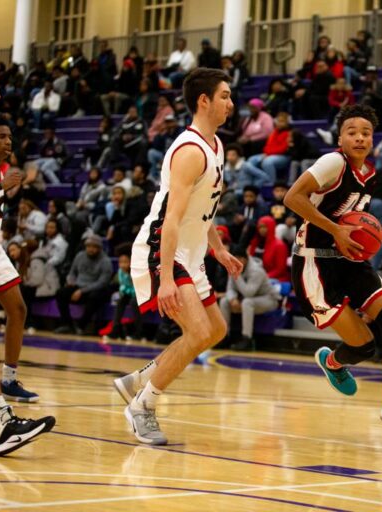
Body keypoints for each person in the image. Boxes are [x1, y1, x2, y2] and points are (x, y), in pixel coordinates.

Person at [114, 68, 243, 445]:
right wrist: (166, 277)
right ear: (203, 101)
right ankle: (142, 405)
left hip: (192, 250)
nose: (230, 103)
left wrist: (218, 249)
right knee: (197, 331)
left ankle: (138, 380)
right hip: (162, 248)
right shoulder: (189, 151)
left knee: (216, 329)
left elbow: (204, 209)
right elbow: (171, 218)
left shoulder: (215, 145)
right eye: (224, 95)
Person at [284, 104, 382, 433]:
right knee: (364, 347)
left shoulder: (369, 175)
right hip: (314, 263)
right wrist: (334, 230)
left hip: (349, 257)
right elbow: (293, 197)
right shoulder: (333, 162)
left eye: (366, 133)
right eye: (352, 132)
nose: (359, 138)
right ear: (340, 137)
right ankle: (332, 362)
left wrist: (351, 237)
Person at [0, 114, 39, 403]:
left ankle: (9, 379)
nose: (8, 142)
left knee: (18, 309)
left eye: (10, 137)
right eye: (1, 136)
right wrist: (0, 187)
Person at [221, 249, 280, 351]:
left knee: (247, 303)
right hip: (248, 298)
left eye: (236, 259)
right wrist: (232, 299)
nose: (233, 261)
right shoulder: (233, 267)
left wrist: (237, 275)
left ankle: (247, 339)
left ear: (243, 259)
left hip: (269, 299)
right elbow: (230, 288)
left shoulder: (256, 271)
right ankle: (224, 337)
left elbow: (248, 293)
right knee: (224, 301)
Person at [54, 234, 113, 335]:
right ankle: (67, 325)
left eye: (94, 247)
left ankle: (81, 326)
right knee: (60, 293)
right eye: (88, 246)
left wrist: (82, 291)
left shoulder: (105, 261)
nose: (91, 249)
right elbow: (72, 272)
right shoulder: (80, 256)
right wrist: (70, 280)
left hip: (94, 289)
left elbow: (102, 282)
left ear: (99, 248)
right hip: (78, 286)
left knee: (95, 296)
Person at [108, 247, 142, 342]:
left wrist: (128, 292)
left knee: (134, 302)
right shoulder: (120, 272)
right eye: (120, 262)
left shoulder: (136, 271)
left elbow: (138, 288)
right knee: (120, 302)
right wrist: (124, 292)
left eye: (125, 262)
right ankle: (115, 330)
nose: (122, 265)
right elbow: (122, 286)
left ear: (131, 261)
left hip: (139, 294)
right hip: (129, 292)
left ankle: (138, 333)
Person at [247, 216, 289, 282]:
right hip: (256, 277)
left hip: (274, 279)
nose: (262, 229)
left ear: (271, 227)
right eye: (260, 227)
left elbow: (280, 269)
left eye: (264, 227)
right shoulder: (254, 243)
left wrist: (263, 277)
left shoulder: (280, 245)